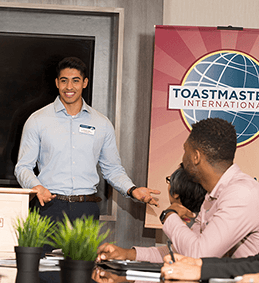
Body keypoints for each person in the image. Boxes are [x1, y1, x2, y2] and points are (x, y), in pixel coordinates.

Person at [14, 57, 160, 224]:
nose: (69, 87)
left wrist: (132, 190)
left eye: (75, 81)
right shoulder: (37, 120)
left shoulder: (101, 123)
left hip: (86, 209)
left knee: (82, 252)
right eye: (64, 81)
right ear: (56, 83)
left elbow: (112, 169)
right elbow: (23, 167)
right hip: (48, 206)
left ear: (84, 83)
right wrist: (37, 187)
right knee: (42, 252)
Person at [98, 118, 259, 263]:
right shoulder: (214, 195)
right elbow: (184, 250)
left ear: (196, 157)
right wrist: (128, 254)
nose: (183, 158)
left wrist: (169, 215)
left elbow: (197, 255)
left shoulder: (241, 194)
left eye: (185, 150)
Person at [97, 163, 206, 262]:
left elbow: (192, 253)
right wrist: (127, 254)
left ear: (176, 192)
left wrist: (168, 214)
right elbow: (172, 252)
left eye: (169, 180)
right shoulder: (200, 217)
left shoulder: (201, 222)